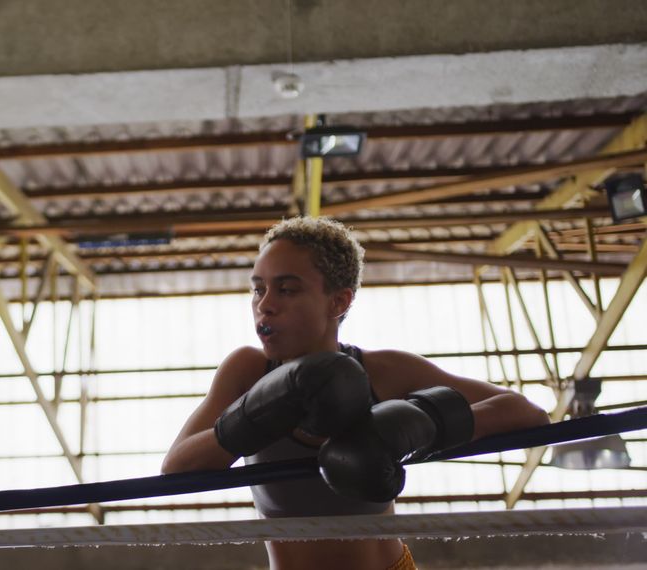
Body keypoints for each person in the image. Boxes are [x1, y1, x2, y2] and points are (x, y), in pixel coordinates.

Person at [161, 216, 550, 570]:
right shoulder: (248, 371)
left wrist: (423, 422)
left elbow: (526, 413)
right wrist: (255, 415)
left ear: (338, 300)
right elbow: (175, 469)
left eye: (287, 289)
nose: (265, 306)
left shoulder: (385, 371)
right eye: (258, 289)